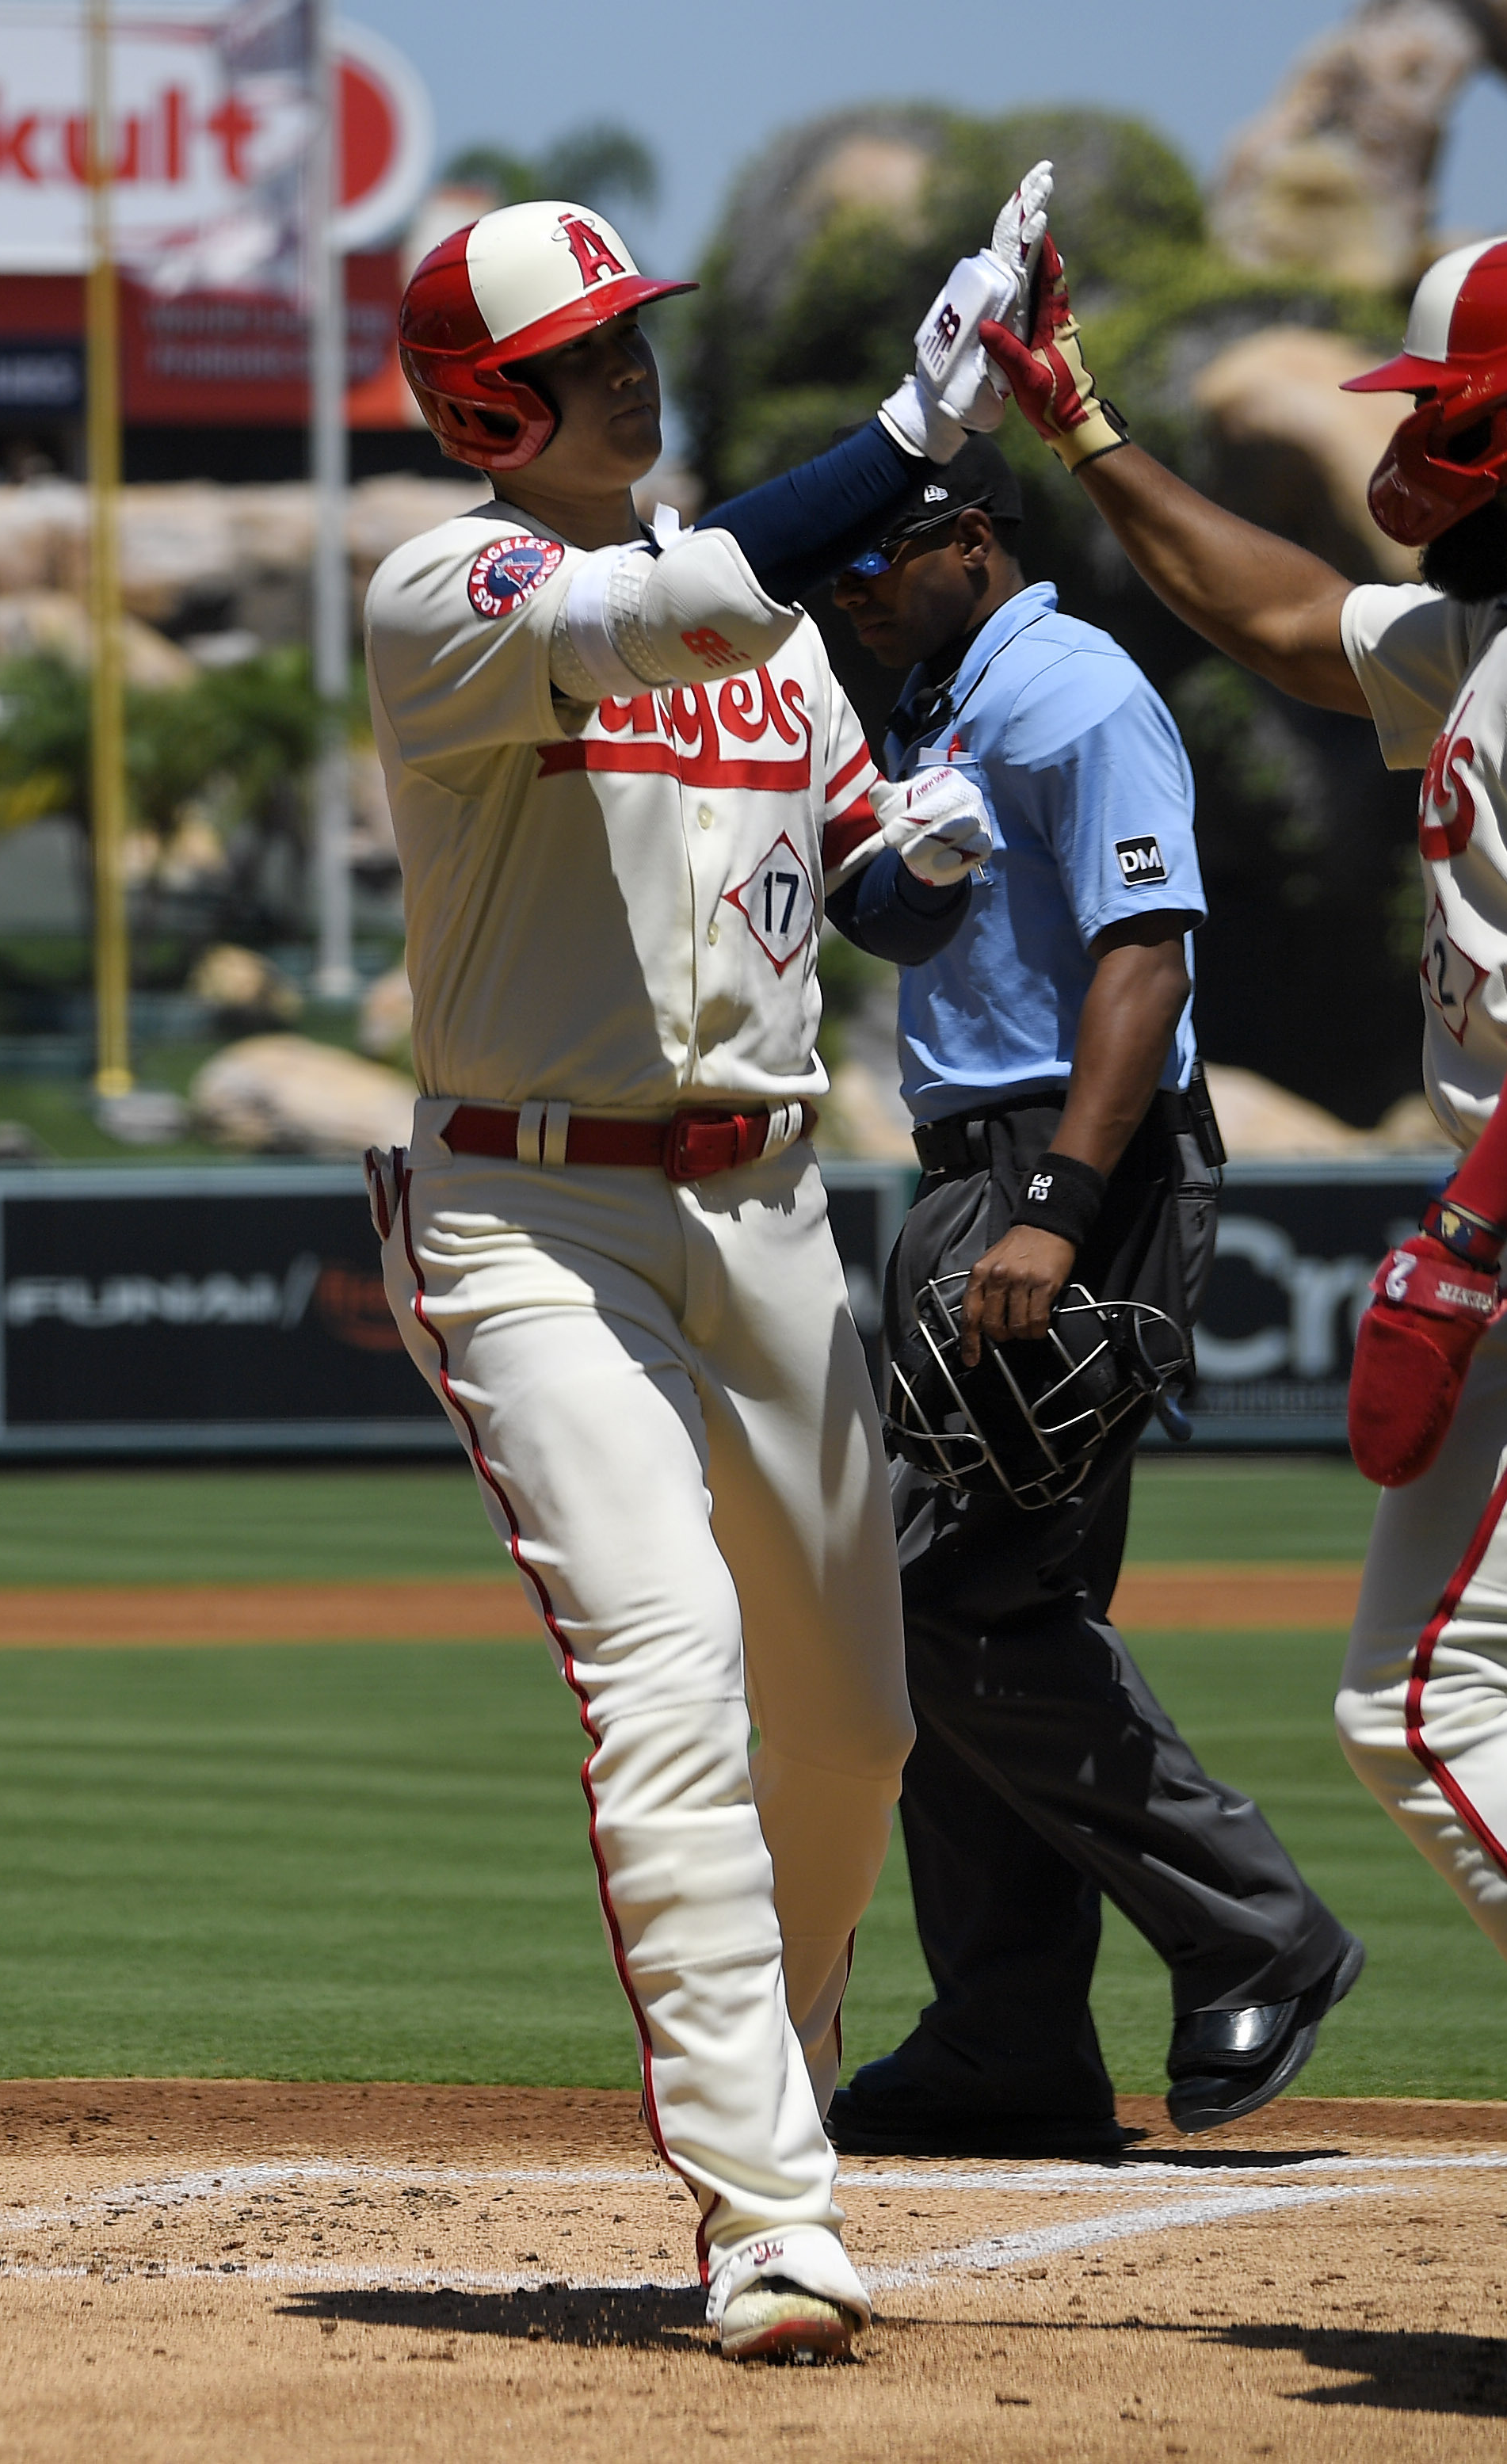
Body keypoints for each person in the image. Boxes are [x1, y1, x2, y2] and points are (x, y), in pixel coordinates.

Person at [990, 227, 1507, 2433]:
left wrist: (1460, 1235)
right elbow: (1272, 620)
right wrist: (1087, 429)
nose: (1406, 429)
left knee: (1426, 1698)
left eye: (1434, 397)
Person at [363, 177, 1042, 2363]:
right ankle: (768, 2209)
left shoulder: (773, 644)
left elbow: (862, 890)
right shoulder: (445, 590)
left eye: (637, 333)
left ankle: (784, 2083)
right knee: (665, 1665)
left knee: (849, 1728)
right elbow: (680, 601)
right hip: (529, 1213)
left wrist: (918, 864)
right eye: (590, 349)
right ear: (491, 404)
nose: (632, 364)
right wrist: (909, 441)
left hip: (765, 1209)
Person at [819, 433, 1364, 2158]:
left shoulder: (1069, 688)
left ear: (966, 539)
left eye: (872, 567)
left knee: (939, 1595)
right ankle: (1005, 2035)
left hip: (1074, 1166)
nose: (850, 597)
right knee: (994, 1599)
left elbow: (1146, 952)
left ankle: (1252, 1927)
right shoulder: (931, 709)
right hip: (968, 1164)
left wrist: (1057, 1205)